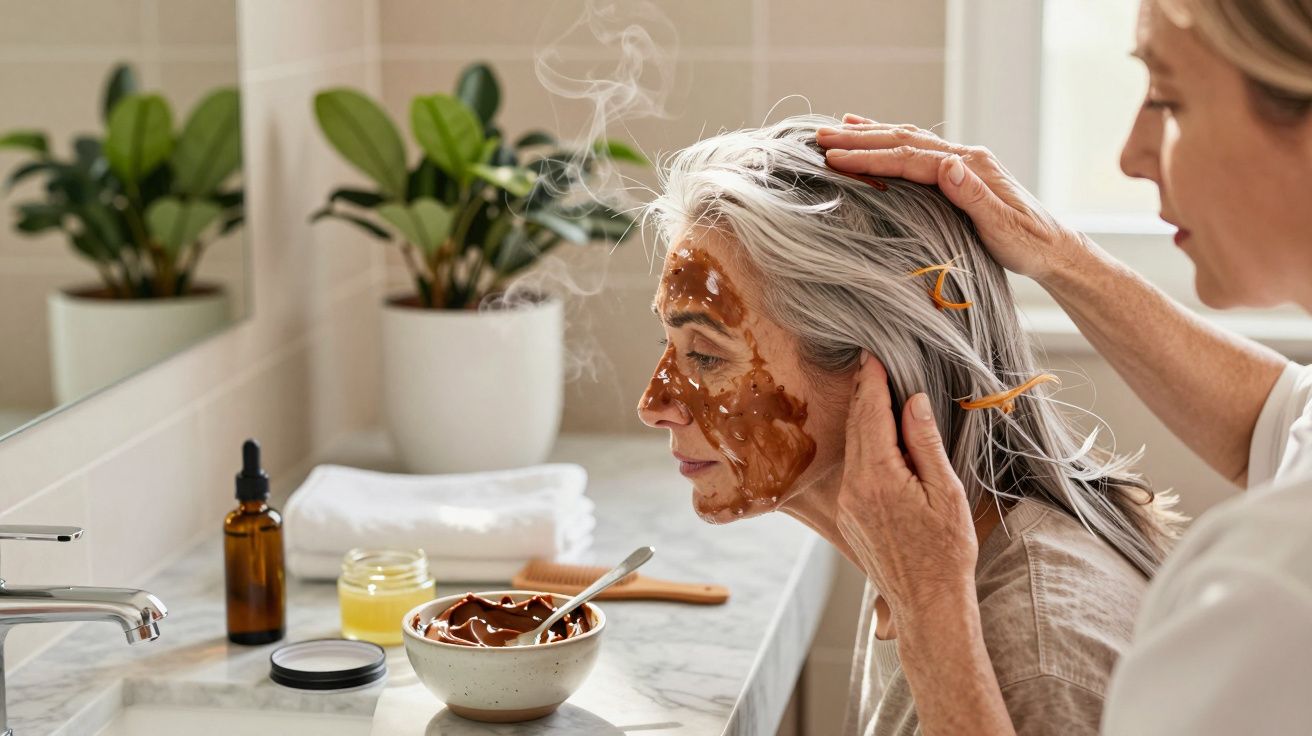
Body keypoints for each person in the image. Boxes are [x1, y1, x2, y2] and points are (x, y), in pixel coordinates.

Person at [816, 0, 1312, 733]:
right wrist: (1060, 255)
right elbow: (1280, 422)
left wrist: (928, 607)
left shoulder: (1276, 596)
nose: (1130, 157)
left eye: (1169, 99)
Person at [635, 114, 1182, 735]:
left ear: (881, 371)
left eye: (706, 355)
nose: (654, 404)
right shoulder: (914, 555)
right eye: (670, 346)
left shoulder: (1034, 661)